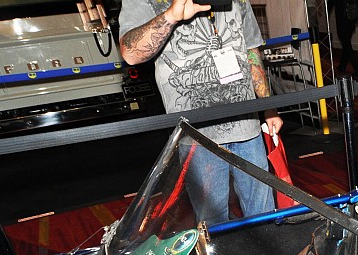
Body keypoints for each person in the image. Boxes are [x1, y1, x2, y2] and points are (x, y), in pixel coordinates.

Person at [118, 0, 282, 224]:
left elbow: (251, 51)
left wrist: (268, 107)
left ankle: (265, 247)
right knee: (213, 222)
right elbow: (130, 54)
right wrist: (171, 16)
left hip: (246, 125)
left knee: (264, 212)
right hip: (198, 134)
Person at [331, 0, 358, 77]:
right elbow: (357, 3)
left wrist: (324, 11)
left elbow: (331, 3)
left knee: (346, 45)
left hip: (342, 20)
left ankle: (357, 68)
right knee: (346, 43)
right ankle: (342, 65)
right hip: (352, 19)